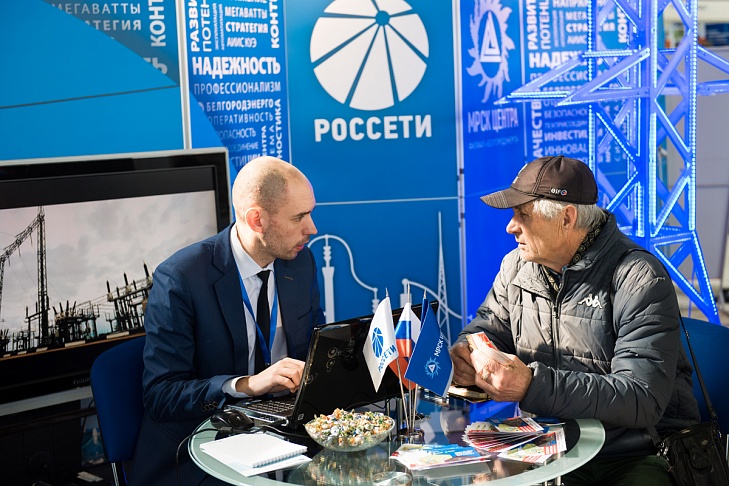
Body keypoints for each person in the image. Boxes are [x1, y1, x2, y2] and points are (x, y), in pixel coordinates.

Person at [449, 155, 700, 485]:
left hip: (634, 452)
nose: (511, 226)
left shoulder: (639, 278)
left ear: (566, 218)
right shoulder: (516, 267)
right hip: (546, 448)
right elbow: (489, 326)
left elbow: (641, 398)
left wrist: (531, 385)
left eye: (523, 214)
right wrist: (470, 353)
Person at [129, 156, 325, 485]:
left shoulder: (300, 262)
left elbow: (313, 353)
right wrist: (246, 385)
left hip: (286, 437)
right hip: (204, 450)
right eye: (299, 217)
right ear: (257, 219)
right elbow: (162, 394)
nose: (312, 228)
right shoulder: (181, 278)